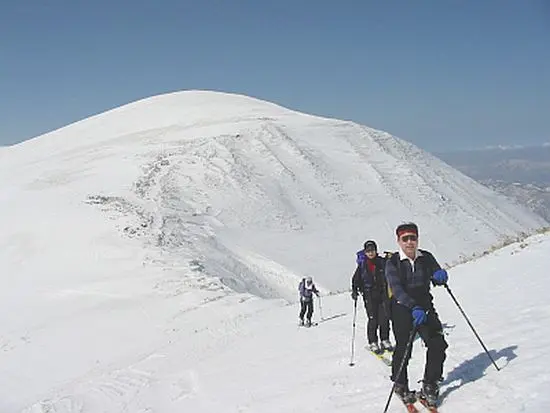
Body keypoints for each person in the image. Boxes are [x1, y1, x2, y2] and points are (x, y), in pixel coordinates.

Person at [385, 222, 449, 407]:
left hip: (425, 306)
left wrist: (439, 276)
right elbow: (397, 290)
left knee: (437, 343)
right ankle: (400, 383)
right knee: (404, 348)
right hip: (402, 308)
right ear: (398, 241)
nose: (410, 242)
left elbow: (434, 273)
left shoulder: (426, 257)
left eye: (413, 237)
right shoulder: (393, 262)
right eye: (405, 239)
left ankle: (430, 383)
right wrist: (413, 306)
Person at [351, 240, 393, 354]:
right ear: (365, 252)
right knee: (373, 318)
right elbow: (356, 279)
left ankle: (385, 339)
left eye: (372, 250)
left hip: (382, 293)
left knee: (384, 318)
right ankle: (373, 341)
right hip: (369, 295)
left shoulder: (381, 261)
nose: (371, 253)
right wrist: (354, 290)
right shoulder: (362, 265)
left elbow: (391, 264)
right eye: (368, 251)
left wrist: (391, 257)